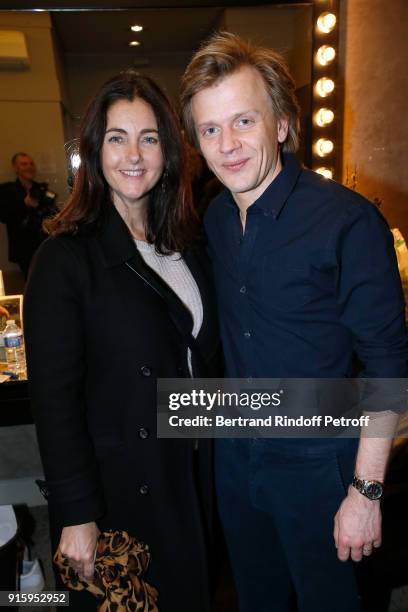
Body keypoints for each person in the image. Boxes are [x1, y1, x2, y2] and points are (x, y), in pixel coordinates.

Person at [180, 32, 408, 612]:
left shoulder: (348, 222)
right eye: (210, 129)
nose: (227, 145)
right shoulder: (213, 219)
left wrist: (366, 491)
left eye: (244, 122)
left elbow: (387, 361)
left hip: (321, 462)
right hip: (236, 454)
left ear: (282, 124)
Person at [23, 70, 220, 612]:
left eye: (149, 138)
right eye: (117, 137)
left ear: (169, 152)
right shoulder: (65, 259)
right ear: (94, 150)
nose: (134, 154)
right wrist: (77, 512)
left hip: (188, 472)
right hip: (121, 488)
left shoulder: (187, 244)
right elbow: (54, 400)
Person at [0, 153, 57, 277]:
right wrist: (23, 204)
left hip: (45, 245)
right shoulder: (7, 190)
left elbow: (53, 213)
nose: (29, 167)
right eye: (24, 164)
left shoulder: (42, 189)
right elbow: (3, 216)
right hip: (24, 249)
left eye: (31, 164)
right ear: (15, 168)